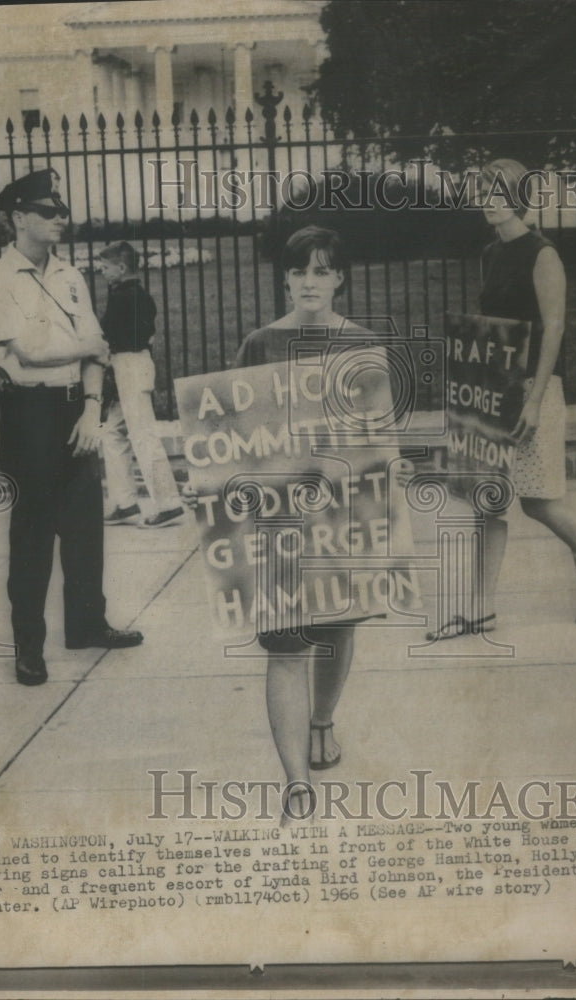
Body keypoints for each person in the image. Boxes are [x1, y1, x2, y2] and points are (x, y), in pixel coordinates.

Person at [428, 159, 576, 640]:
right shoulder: (489, 253)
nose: (488, 201)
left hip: (531, 392)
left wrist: (535, 400)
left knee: (538, 501)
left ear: (517, 195)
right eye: (481, 192)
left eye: (498, 192)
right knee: (487, 501)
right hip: (492, 391)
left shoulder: (543, 254)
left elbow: (554, 329)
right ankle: (480, 610)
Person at [0, 169, 144, 687]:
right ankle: (29, 646)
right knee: (33, 535)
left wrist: (92, 408)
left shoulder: (70, 277)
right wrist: (88, 349)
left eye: (61, 211)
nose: (61, 219)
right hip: (30, 417)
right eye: (49, 212)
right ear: (19, 218)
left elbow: (99, 348)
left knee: (85, 526)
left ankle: (88, 624)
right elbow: (26, 353)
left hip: (77, 411)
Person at [230, 226, 370, 822]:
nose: (309, 281)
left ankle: (322, 720)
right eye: (299, 272)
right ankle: (296, 783)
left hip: (341, 512)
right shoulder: (260, 343)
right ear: (286, 279)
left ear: (339, 277)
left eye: (322, 270)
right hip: (279, 517)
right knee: (286, 646)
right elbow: (234, 433)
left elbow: (378, 435)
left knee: (336, 630)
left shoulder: (361, 344)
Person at [97, 241, 184, 527]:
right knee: (113, 431)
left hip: (129, 366)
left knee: (142, 434)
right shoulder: (140, 296)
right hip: (136, 364)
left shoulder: (122, 297)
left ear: (121, 268)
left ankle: (168, 504)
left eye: (106, 267)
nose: (102, 272)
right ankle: (125, 503)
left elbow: (107, 333)